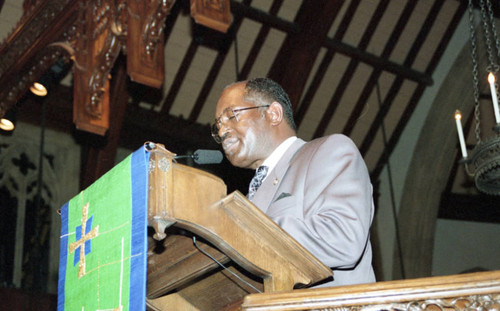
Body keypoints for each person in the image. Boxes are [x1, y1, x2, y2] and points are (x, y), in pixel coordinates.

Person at [211, 77, 375, 287]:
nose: (222, 131)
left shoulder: (327, 151)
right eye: (218, 126)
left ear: (273, 114)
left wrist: (241, 231)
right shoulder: (251, 194)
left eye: (231, 116)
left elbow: (343, 238)